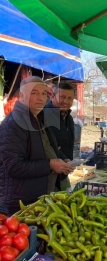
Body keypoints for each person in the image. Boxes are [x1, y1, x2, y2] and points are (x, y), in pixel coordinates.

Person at [0, 76, 74, 215]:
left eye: (44, 94)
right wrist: (50, 165)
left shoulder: (38, 118)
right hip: (20, 204)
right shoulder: (13, 124)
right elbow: (14, 167)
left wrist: (60, 160)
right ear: (21, 96)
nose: (41, 98)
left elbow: (48, 148)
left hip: (37, 198)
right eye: (34, 93)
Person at [46, 82, 75, 190]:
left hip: (63, 172)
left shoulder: (69, 118)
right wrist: (63, 158)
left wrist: (68, 160)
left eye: (70, 98)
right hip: (48, 175)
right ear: (52, 96)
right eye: (62, 97)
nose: (66, 101)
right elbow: (47, 145)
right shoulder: (43, 116)